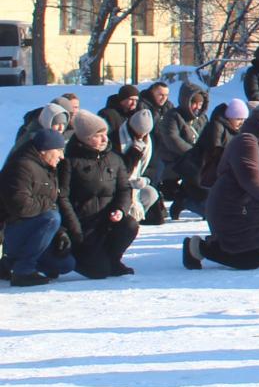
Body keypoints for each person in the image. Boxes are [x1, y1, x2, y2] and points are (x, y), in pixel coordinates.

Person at [184, 102, 259, 270]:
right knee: (247, 261)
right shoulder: (247, 141)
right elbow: (252, 177)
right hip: (235, 208)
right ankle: (198, 248)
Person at [63, 110, 139, 280]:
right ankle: (78, 257)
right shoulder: (70, 161)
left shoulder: (114, 158)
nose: (105, 139)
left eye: (105, 134)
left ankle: (113, 259)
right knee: (98, 272)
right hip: (84, 224)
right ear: (85, 138)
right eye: (98, 135)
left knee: (130, 225)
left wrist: (120, 209)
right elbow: (63, 198)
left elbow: (124, 188)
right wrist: (74, 229)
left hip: (107, 221)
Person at [2, 129, 79, 286]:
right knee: (51, 217)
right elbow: (21, 207)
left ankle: (9, 264)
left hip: (30, 231)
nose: (62, 156)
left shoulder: (47, 168)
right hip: (10, 230)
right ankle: (23, 271)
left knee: (66, 265)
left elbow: (51, 203)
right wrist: (49, 207)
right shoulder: (20, 167)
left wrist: (60, 233)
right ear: (45, 150)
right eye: (59, 150)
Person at [153, 83, 207, 220]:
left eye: (200, 104)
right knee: (196, 175)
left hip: (195, 159)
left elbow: (207, 136)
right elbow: (172, 140)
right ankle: (191, 202)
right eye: (194, 103)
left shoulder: (201, 118)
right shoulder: (173, 116)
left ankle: (193, 200)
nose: (197, 107)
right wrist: (194, 154)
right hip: (173, 160)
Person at [118, 108, 161, 224]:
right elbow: (119, 169)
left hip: (137, 184)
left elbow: (151, 166)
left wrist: (146, 179)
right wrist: (133, 153)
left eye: (144, 134)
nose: (141, 136)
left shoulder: (148, 143)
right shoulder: (117, 140)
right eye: (138, 133)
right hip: (119, 186)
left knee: (151, 194)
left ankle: (135, 219)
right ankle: (127, 221)